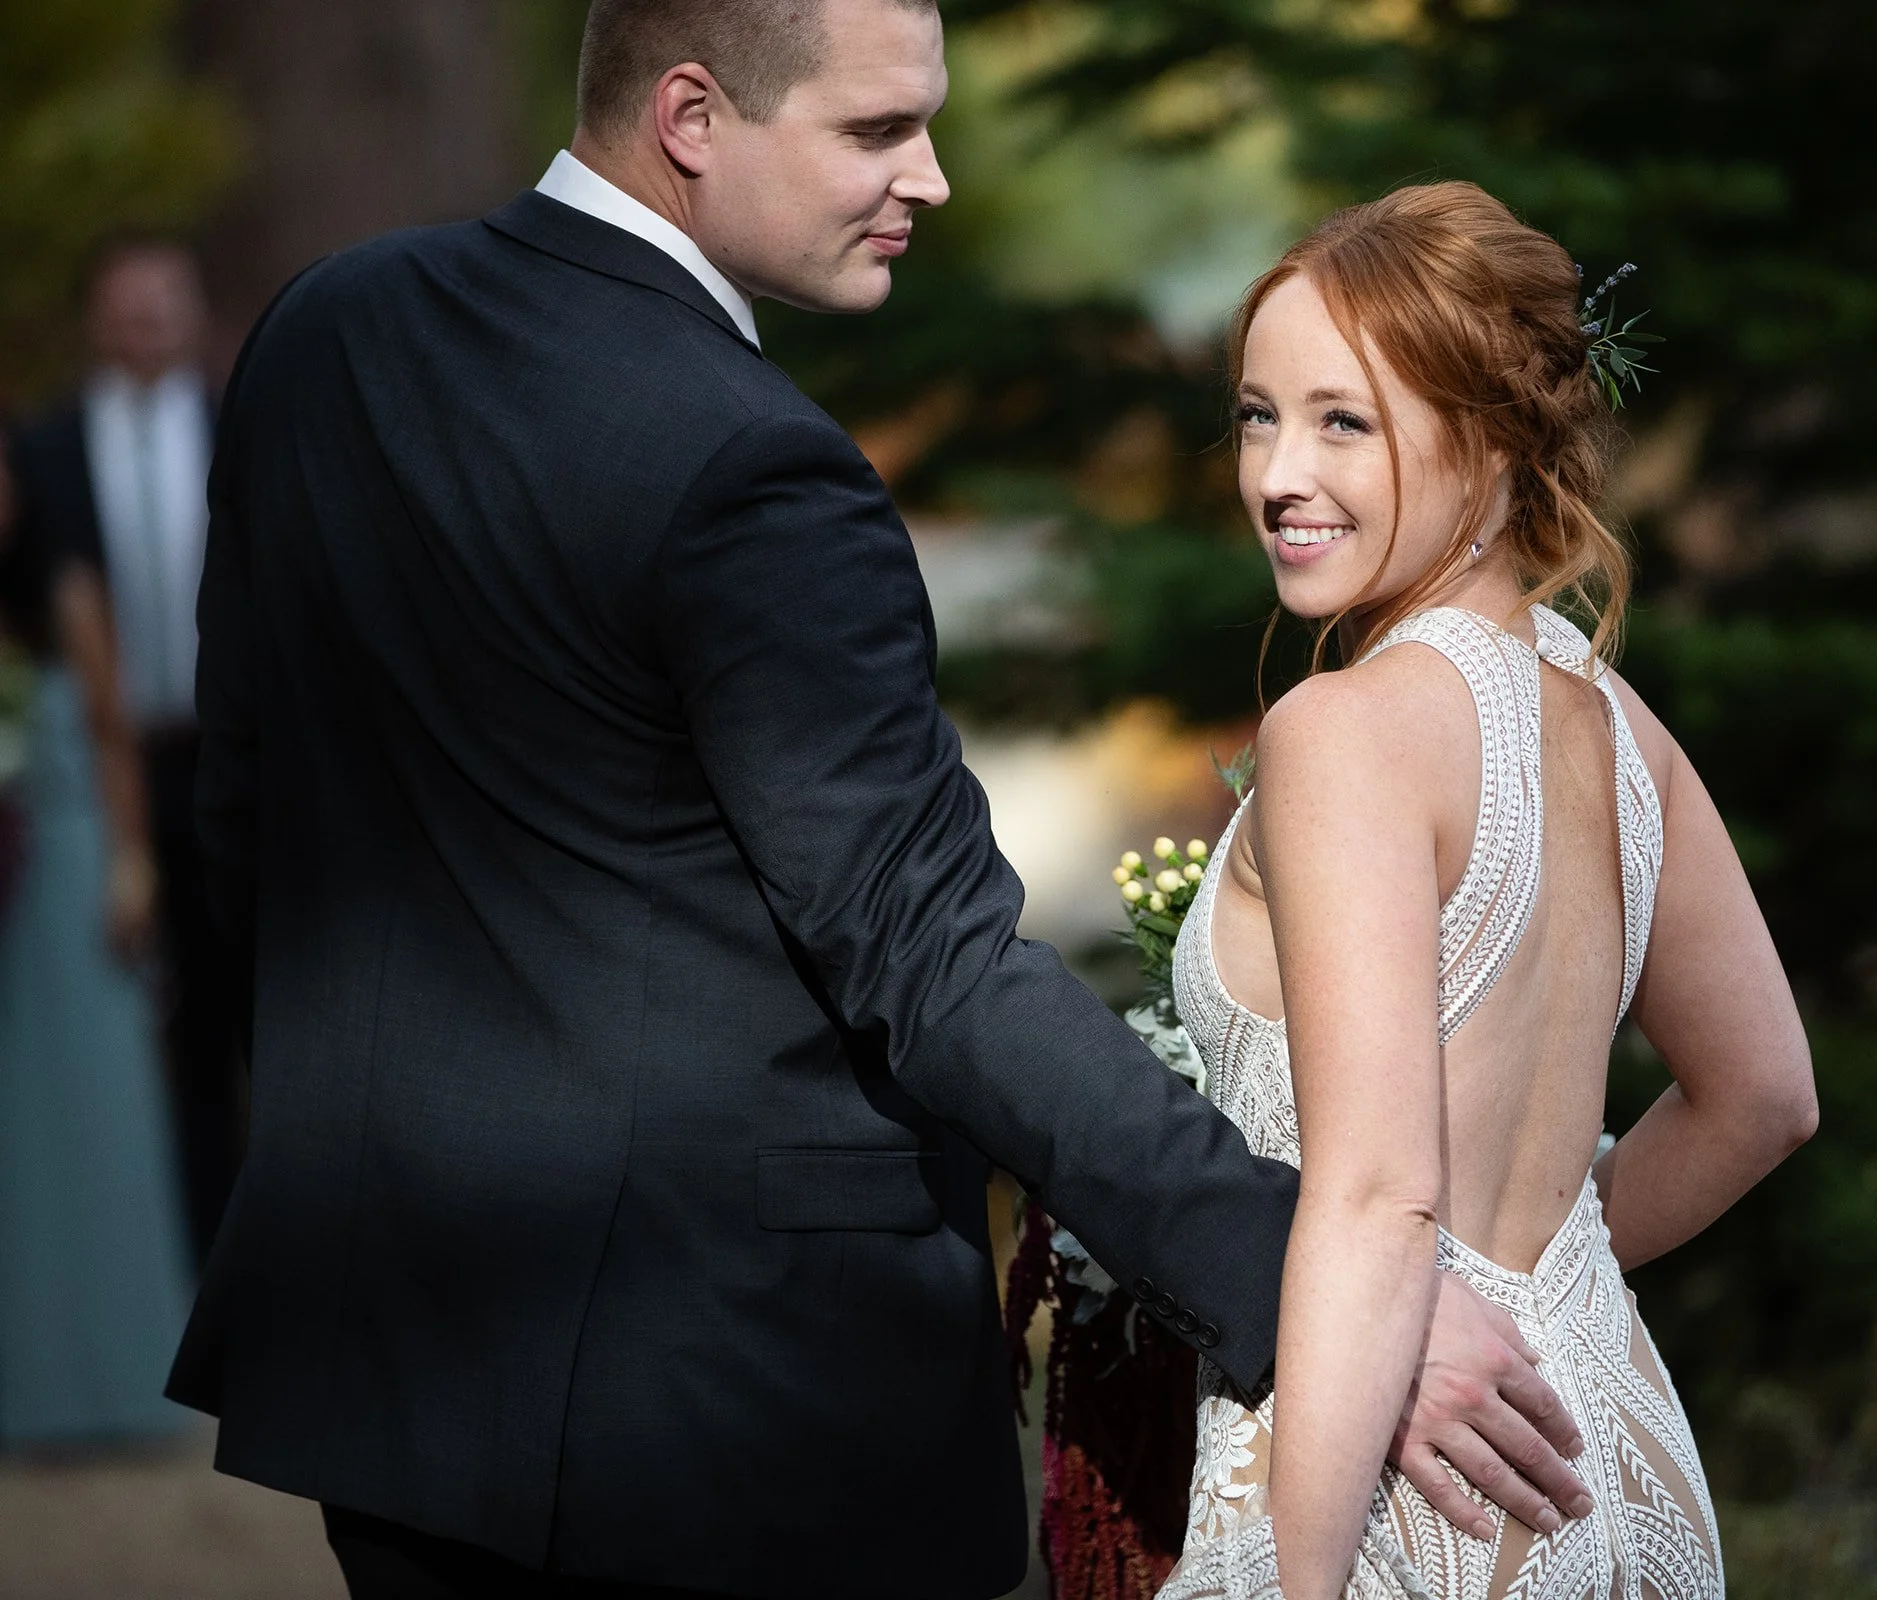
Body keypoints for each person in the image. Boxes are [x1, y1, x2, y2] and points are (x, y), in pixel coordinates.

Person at [168, 4, 1591, 1596]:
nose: (934, 176)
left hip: (385, 1362)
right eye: (875, 132)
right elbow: (930, 956)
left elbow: (246, 828)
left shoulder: (324, 333)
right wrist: (1307, 1284)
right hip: (718, 1408)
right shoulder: (754, 468)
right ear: (692, 117)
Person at [1157, 184, 1820, 1600]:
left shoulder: (1341, 735)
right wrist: (1548, 1281)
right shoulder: (1624, 732)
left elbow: (1381, 1199)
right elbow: (1764, 1095)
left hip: (1406, 1494)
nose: (1278, 471)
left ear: (1492, 435)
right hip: (1620, 1472)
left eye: (1344, 420)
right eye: (1259, 412)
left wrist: (1299, 1584)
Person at [7, 238, 243, 1267]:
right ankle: (180, 1267)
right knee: (151, 1030)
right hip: (104, 774)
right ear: (97, 317)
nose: (146, 320)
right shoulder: (45, 450)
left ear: (193, 312)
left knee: (257, 1005)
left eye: (164, 302)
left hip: (235, 760)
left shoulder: (245, 424)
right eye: (126, 304)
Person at [0, 419, 193, 1448]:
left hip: (70, 866)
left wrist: (132, 863)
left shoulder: (66, 590)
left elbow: (115, 729)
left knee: (97, 1115)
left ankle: (116, 1372)